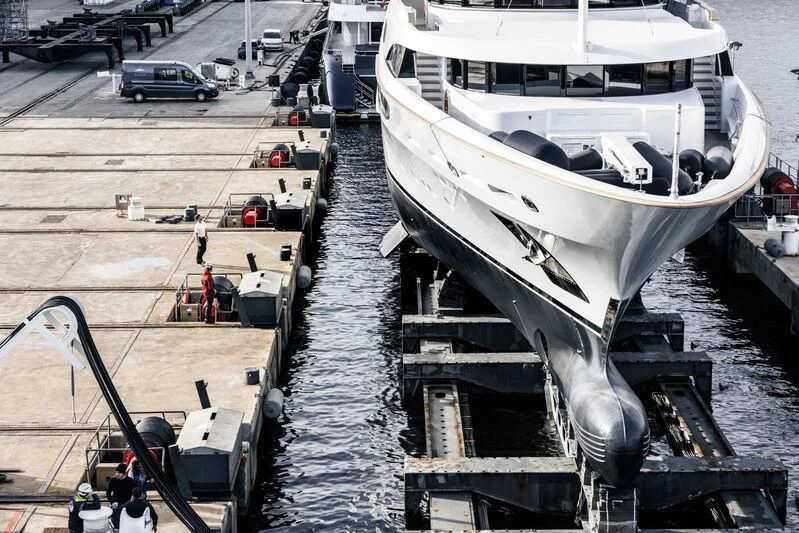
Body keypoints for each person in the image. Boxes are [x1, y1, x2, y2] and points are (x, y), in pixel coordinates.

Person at [107, 463, 136, 528]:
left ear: (124, 473)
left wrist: (132, 501)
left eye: (119, 473)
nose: (117, 474)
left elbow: (135, 492)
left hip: (127, 505)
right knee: (116, 525)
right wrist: (112, 502)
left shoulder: (130, 481)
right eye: (116, 472)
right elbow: (108, 493)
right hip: (116, 506)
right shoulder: (112, 480)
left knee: (126, 525)